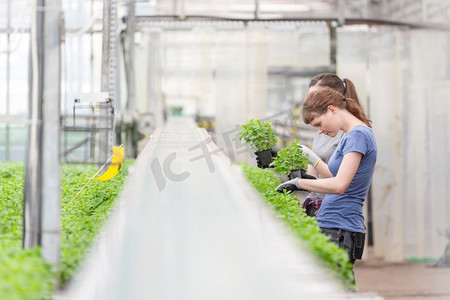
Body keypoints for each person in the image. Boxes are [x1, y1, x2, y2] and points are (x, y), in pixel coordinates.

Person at [276, 87, 377, 276]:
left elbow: (339, 185)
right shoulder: (351, 136)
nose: (320, 130)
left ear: (331, 109)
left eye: (319, 123)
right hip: (334, 225)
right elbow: (333, 176)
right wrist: (310, 163)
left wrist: (299, 183)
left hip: (341, 228)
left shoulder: (358, 135)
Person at [301, 73, 363, 217]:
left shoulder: (351, 133)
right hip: (318, 207)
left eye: (317, 95)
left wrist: (312, 159)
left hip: (338, 211)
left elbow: (341, 180)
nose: (312, 100)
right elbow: (312, 176)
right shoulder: (321, 132)